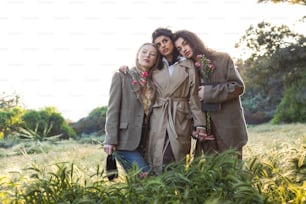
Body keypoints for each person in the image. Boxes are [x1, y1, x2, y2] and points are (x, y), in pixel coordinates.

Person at [120, 28, 207, 174]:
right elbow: (140, 71)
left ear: (172, 41)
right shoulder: (155, 66)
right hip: (158, 116)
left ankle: (173, 192)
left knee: (173, 158)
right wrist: (127, 70)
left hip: (179, 116)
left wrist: (200, 124)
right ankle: (161, 194)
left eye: (165, 41)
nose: (163, 46)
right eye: (158, 45)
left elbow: (193, 96)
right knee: (155, 157)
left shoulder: (188, 65)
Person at [174, 29, 248, 159]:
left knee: (235, 174)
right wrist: (196, 129)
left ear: (194, 40)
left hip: (228, 128)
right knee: (214, 175)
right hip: (206, 134)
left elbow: (238, 87)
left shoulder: (222, 58)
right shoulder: (187, 69)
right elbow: (188, 101)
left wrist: (208, 93)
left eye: (185, 43)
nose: (183, 49)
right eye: (179, 49)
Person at [103, 43, 162, 175]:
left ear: (156, 60)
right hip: (124, 140)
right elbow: (112, 110)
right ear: (137, 55)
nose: (147, 55)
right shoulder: (122, 76)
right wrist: (110, 140)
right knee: (145, 177)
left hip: (146, 141)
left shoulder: (155, 82)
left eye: (152, 54)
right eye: (144, 52)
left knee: (136, 184)